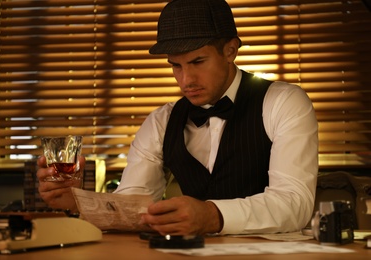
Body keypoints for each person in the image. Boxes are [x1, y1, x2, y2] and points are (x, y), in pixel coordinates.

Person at [37, 0, 318, 236]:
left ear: (230, 50)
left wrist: (211, 215)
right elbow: (131, 205)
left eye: (197, 62)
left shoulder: (283, 102)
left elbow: (294, 203)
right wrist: (79, 201)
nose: (186, 80)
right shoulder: (162, 120)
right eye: (176, 66)